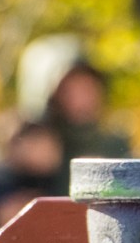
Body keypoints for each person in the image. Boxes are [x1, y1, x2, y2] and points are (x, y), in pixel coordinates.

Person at [44, 60, 130, 189]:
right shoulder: (43, 140)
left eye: (86, 90)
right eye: (71, 91)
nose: (80, 99)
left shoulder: (115, 144)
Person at [0, 121, 65, 230]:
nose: (45, 152)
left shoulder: (58, 182)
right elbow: (2, 218)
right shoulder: (1, 182)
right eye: (37, 145)